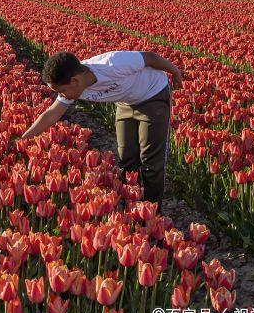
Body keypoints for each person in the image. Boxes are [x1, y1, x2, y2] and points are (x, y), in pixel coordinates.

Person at [20, 50, 183, 212]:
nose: (61, 96)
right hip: (126, 103)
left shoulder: (113, 64)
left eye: (61, 92)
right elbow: (52, 113)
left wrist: (175, 72)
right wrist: (22, 140)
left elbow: (150, 57)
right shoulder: (72, 84)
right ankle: (131, 208)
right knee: (127, 158)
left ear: (75, 80)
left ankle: (152, 214)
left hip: (152, 96)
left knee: (151, 161)